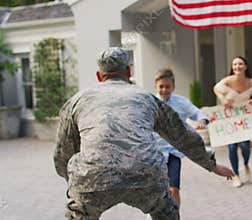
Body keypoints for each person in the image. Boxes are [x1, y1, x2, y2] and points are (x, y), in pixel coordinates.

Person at [53, 47, 234, 220]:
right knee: (167, 212)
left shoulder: (77, 101)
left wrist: (73, 181)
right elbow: (181, 134)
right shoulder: (146, 98)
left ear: (99, 76)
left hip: (92, 178)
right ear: (128, 71)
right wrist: (211, 165)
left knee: (79, 214)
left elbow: (63, 151)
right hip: (146, 176)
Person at [152, 68, 208, 206]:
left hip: (173, 153)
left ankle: (174, 215)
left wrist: (201, 121)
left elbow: (197, 113)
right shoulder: (150, 102)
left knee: (173, 188)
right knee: (156, 189)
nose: (164, 90)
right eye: (161, 86)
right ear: (156, 86)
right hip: (154, 153)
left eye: (168, 86)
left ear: (173, 87)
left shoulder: (181, 102)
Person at [213, 56, 252, 188]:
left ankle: (245, 164)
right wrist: (222, 98)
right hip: (230, 119)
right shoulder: (227, 81)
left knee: (245, 146)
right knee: (232, 147)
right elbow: (215, 88)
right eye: (234, 65)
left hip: (244, 119)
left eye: (240, 64)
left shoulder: (251, 82)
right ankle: (236, 175)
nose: (237, 67)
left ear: (245, 66)